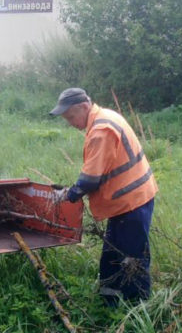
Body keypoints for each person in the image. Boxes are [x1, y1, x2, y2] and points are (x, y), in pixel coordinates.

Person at [50, 88, 158, 307]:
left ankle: (137, 308)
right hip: (127, 201)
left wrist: (68, 195)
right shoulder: (104, 116)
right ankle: (109, 300)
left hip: (132, 202)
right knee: (112, 253)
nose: (70, 122)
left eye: (71, 116)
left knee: (132, 258)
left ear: (84, 107)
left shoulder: (102, 130)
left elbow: (90, 179)